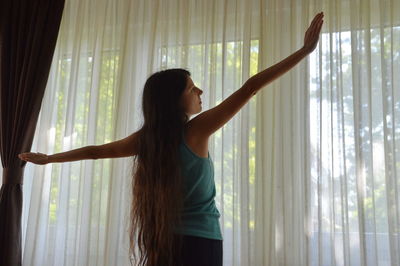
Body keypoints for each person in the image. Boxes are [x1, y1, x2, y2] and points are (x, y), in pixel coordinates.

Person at [19, 12, 324, 266]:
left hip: (164, 241)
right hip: (202, 243)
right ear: (174, 100)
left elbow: (96, 152)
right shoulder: (197, 130)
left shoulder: (147, 140)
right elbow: (250, 88)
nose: (200, 93)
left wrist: (50, 158)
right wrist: (303, 51)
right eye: (192, 89)